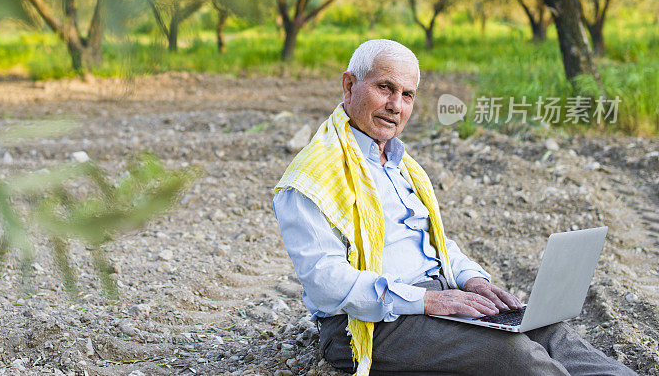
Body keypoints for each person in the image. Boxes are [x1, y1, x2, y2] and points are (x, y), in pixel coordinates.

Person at [272, 39, 635, 376]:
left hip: (433, 294)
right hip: (364, 324)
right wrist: (429, 302)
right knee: (513, 352)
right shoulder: (311, 177)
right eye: (385, 87)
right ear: (350, 86)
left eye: (407, 94)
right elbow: (326, 284)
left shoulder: (400, 163)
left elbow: (434, 243)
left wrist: (470, 280)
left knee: (549, 332)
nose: (396, 105)